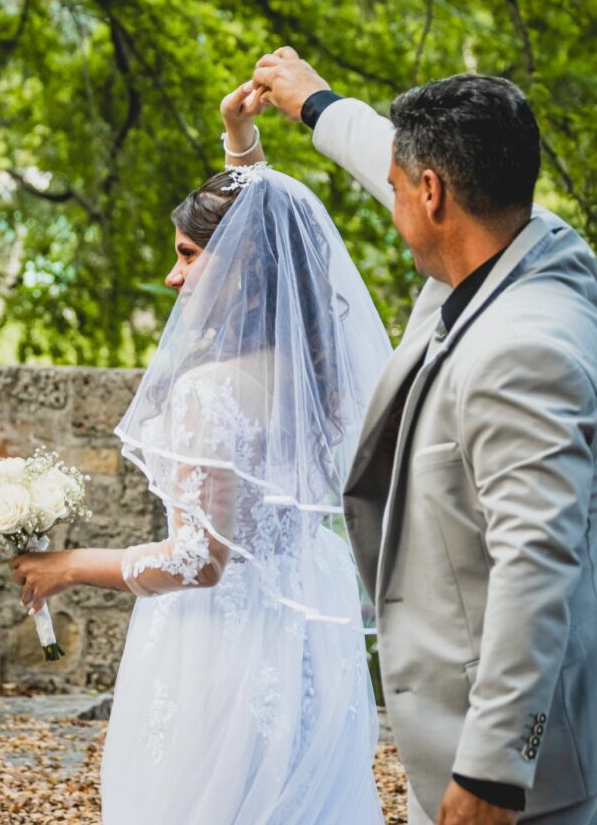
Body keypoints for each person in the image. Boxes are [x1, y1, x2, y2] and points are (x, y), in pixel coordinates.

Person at [10, 84, 392, 823]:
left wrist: (69, 567)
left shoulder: (210, 392)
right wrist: (237, 137)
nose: (173, 274)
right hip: (304, 623)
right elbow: (263, 225)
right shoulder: (314, 377)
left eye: (187, 255)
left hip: (223, 644)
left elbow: (199, 560)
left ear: (238, 268)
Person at [249, 48, 597, 825]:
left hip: (516, 787)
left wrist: (492, 773)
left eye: (404, 187)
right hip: (445, 751)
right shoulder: (524, 237)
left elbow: (536, 563)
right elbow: (393, 160)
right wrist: (315, 103)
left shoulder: (523, 350)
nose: (394, 193)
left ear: (433, 193)